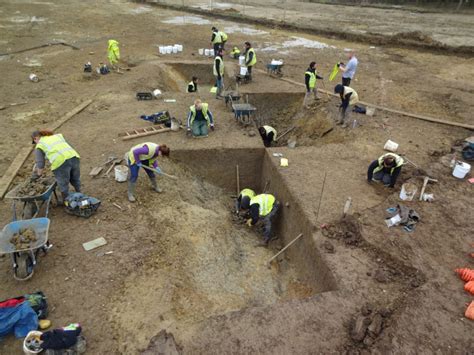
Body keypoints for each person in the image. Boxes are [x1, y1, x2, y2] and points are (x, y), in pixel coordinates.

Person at [31, 130, 81, 201]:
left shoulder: (40, 145)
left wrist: (38, 174)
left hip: (61, 163)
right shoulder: (57, 136)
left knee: (63, 184)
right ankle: (80, 193)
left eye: (34, 141)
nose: (35, 143)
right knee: (75, 178)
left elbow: (40, 163)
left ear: (35, 138)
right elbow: (67, 146)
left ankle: (66, 202)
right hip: (74, 156)